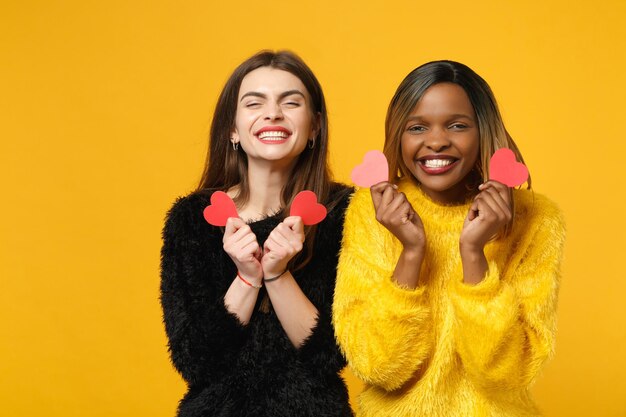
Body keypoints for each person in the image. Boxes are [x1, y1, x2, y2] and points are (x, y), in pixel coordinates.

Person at [333, 60, 565, 416]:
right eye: (417, 127)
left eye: (457, 126)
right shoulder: (372, 210)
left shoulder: (536, 220)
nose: (437, 141)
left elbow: (509, 374)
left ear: (482, 130)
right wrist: (411, 253)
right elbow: (378, 365)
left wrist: (474, 254)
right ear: (399, 134)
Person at [160, 50, 353, 417]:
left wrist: (279, 274)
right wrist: (247, 278)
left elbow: (332, 354)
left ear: (314, 126)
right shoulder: (191, 220)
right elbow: (197, 361)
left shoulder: (345, 213)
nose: (273, 113)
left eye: (291, 102)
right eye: (254, 103)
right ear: (232, 128)